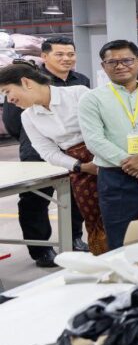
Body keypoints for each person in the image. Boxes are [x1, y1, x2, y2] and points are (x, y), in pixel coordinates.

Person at [78, 40, 138, 250]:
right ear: (103, 66)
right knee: (120, 238)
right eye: (112, 62)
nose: (120, 66)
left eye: (127, 60)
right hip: (116, 177)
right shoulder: (92, 99)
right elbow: (94, 140)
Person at [0, 64, 107, 257]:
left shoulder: (78, 94)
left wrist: (104, 160)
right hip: (80, 168)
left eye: (7, 92)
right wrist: (81, 167)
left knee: (119, 211)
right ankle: (106, 260)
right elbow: (47, 151)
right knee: (93, 218)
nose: (9, 100)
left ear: (26, 82)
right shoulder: (28, 117)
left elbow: (108, 126)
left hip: (108, 158)